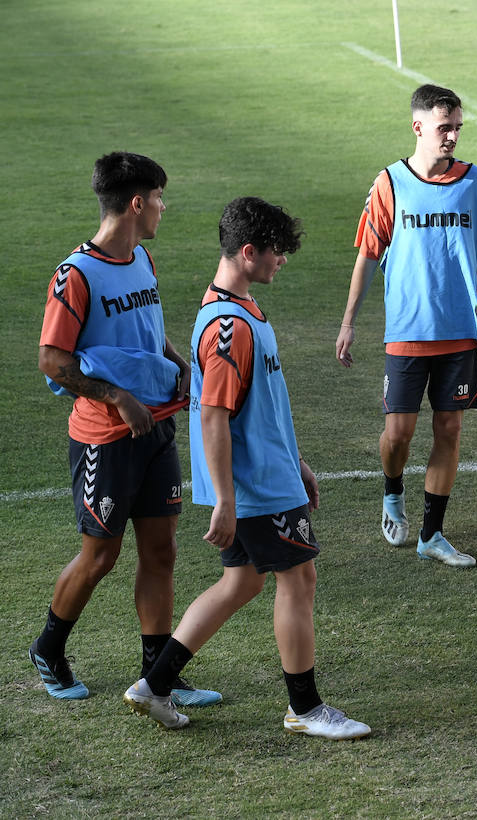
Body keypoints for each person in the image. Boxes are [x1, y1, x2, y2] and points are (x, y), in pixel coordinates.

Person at [125, 197, 370, 739]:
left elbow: (263, 409)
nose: (282, 260)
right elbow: (213, 417)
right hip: (256, 486)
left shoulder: (240, 311)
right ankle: (304, 709)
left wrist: (298, 461)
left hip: (267, 475)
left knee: (240, 583)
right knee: (298, 578)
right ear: (247, 251)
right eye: (276, 252)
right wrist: (230, 500)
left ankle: (154, 684)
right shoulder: (230, 328)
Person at [31, 152, 220, 708]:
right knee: (100, 556)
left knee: (161, 553)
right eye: (160, 198)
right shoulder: (76, 275)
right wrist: (118, 397)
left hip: (156, 430)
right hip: (104, 438)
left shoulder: (143, 258)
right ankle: (48, 648)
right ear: (137, 203)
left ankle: (158, 675)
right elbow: (51, 358)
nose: (164, 208)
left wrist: (176, 364)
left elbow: (145, 328)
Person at [336, 84, 477, 567]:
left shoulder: (476, 183)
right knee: (399, 434)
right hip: (408, 331)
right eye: (443, 128)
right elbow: (368, 255)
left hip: (460, 330)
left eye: (456, 127)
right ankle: (393, 493)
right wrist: (349, 322)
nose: (451, 136)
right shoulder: (390, 183)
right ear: (418, 128)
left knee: (449, 427)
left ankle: (432, 534)